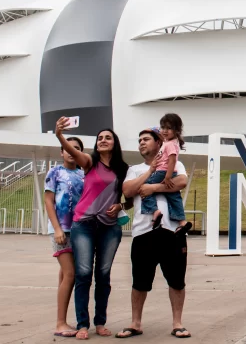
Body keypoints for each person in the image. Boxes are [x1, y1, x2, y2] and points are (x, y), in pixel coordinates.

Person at [55, 118, 129, 340]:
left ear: (114, 143)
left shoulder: (123, 169)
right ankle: (83, 324)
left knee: (103, 275)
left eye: (107, 137)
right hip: (84, 225)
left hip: (110, 228)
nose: (103, 140)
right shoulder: (89, 162)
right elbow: (73, 152)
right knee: (84, 274)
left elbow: (131, 197)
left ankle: (100, 322)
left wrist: (122, 205)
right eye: (99, 138)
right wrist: (59, 135)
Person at [114, 128, 191, 339]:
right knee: (139, 281)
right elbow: (128, 191)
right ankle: (135, 322)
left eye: (146, 139)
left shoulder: (176, 163)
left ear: (159, 143)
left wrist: (151, 188)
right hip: (143, 232)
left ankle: (178, 323)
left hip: (173, 231)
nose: (141, 143)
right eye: (139, 140)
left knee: (176, 280)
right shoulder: (134, 169)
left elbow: (181, 181)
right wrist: (148, 174)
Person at [44, 136, 85, 338]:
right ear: (61, 152)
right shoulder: (55, 172)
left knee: (65, 274)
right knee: (70, 273)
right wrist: (57, 229)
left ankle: (64, 320)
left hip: (78, 229)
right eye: (67, 148)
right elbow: (49, 201)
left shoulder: (83, 174)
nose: (71, 151)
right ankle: (60, 323)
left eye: (76, 148)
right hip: (60, 230)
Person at [140, 113, 187, 232]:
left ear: (176, 130)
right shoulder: (169, 142)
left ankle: (154, 211)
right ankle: (182, 221)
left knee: (145, 187)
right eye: (163, 127)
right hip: (165, 172)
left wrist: (167, 177)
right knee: (174, 195)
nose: (165, 131)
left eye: (169, 128)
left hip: (163, 172)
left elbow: (172, 161)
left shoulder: (170, 144)